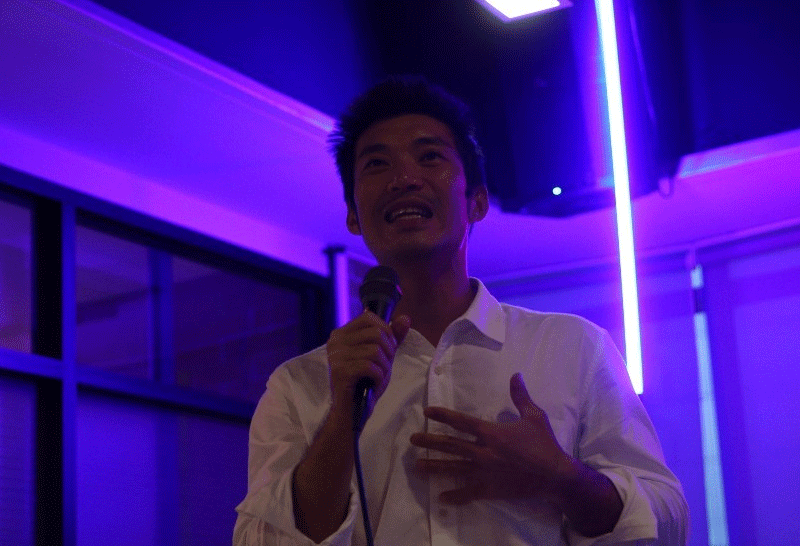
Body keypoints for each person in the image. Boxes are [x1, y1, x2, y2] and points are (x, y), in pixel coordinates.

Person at [233, 76, 689, 545]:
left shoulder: (575, 349)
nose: (403, 179)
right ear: (353, 214)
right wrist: (340, 421)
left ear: (477, 202)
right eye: (376, 164)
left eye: (430, 157)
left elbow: (669, 524)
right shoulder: (299, 386)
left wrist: (562, 479)